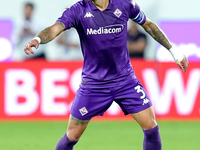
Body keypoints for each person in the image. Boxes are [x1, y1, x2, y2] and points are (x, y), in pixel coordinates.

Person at [24, 0, 189, 150]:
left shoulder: (125, 5)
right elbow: (55, 28)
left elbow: (149, 25)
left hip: (125, 81)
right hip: (94, 85)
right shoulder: (78, 10)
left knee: (151, 128)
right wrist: (38, 39)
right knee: (72, 136)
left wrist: (173, 51)